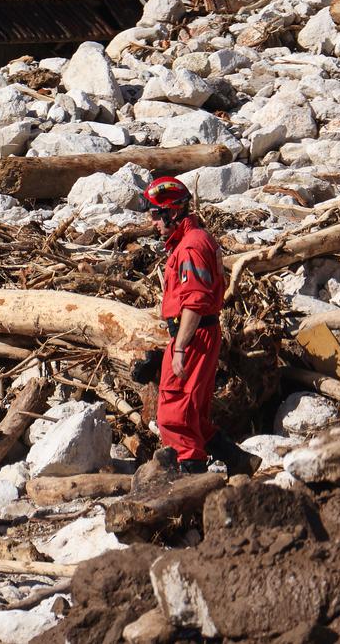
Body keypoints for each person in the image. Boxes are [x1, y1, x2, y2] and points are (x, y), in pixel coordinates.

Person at [143, 174, 243, 474]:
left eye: (155, 216)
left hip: (195, 336)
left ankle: (192, 483)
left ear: (172, 212)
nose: (153, 223)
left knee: (176, 415)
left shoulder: (189, 247)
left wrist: (180, 348)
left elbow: (195, 302)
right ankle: (239, 460)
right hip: (201, 333)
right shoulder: (197, 239)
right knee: (195, 412)